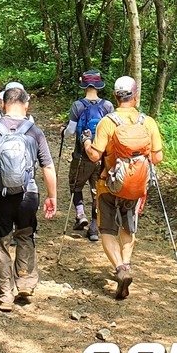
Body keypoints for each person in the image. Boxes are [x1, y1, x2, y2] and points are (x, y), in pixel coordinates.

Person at [0, 82, 58, 311]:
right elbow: (48, 167)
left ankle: (3, 296)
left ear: (2, 103)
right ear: (26, 105)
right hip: (28, 194)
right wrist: (52, 196)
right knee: (25, 235)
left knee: (0, 242)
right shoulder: (34, 131)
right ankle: (25, 283)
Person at [83, 75, 164, 300]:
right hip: (136, 185)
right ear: (135, 96)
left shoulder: (107, 122)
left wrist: (87, 142)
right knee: (128, 228)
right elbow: (157, 158)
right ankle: (126, 263)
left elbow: (94, 156)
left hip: (108, 184)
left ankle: (120, 268)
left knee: (107, 229)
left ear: (115, 97)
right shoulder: (147, 122)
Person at [64, 70, 113, 242]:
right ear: (99, 86)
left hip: (81, 155)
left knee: (75, 185)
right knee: (97, 191)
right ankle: (93, 227)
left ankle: (79, 214)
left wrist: (63, 131)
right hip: (101, 156)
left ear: (84, 86)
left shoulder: (77, 106)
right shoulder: (107, 106)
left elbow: (70, 131)